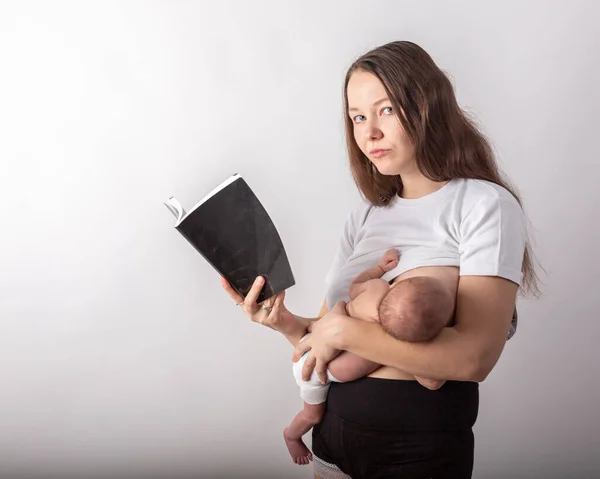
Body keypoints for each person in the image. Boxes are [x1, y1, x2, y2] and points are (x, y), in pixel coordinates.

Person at [221, 40, 540, 478]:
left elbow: (473, 358)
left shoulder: (484, 204)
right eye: (357, 117)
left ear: (427, 105)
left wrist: (344, 329)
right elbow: (323, 339)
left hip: (419, 452)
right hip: (333, 443)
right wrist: (285, 324)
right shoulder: (366, 216)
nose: (369, 131)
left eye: (386, 110)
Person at [284, 247, 455, 465]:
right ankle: (291, 435)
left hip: (315, 336)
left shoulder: (378, 287)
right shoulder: (398, 343)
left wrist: (379, 268)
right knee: (312, 416)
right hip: (313, 368)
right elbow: (432, 381)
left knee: (340, 310)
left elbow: (354, 286)